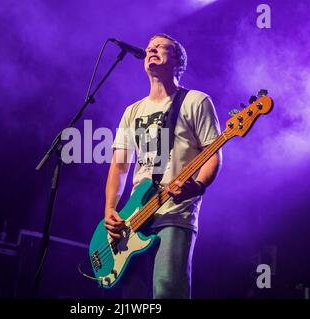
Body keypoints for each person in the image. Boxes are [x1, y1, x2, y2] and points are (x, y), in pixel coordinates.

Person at [104, 33, 222, 299]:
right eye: (148, 49)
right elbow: (119, 165)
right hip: (134, 217)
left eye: (160, 48)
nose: (151, 51)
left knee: (168, 288)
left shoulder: (196, 101)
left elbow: (213, 152)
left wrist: (198, 186)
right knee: (132, 295)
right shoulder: (132, 111)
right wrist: (110, 208)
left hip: (175, 212)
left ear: (178, 62)